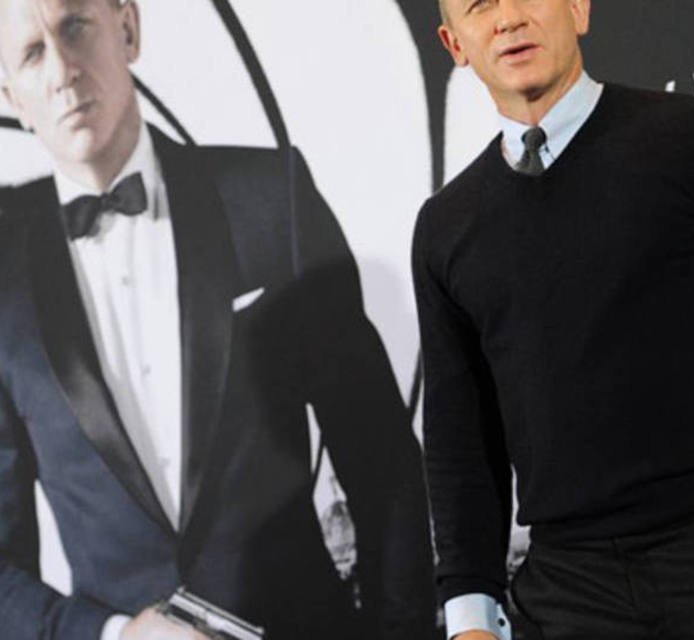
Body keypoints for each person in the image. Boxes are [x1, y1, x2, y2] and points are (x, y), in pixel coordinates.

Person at [413, 1, 694, 638]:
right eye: (479, 4)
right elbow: (461, 441)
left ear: (578, 8)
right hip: (566, 592)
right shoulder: (445, 227)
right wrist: (469, 616)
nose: (507, 18)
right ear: (455, 44)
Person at [0, 0, 435, 638]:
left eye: (75, 27)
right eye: (33, 53)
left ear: (128, 28)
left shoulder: (271, 197)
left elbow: (384, 470)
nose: (63, 71)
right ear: (10, 94)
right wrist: (112, 634)